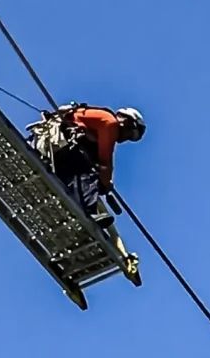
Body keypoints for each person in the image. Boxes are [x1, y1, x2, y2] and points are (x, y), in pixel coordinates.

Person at [32, 104, 145, 282]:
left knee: (83, 175)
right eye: (130, 134)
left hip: (60, 153)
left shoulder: (99, 122)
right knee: (88, 173)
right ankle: (89, 213)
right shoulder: (110, 123)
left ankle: (69, 237)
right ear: (126, 122)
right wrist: (105, 183)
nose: (125, 138)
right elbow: (105, 160)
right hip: (67, 152)